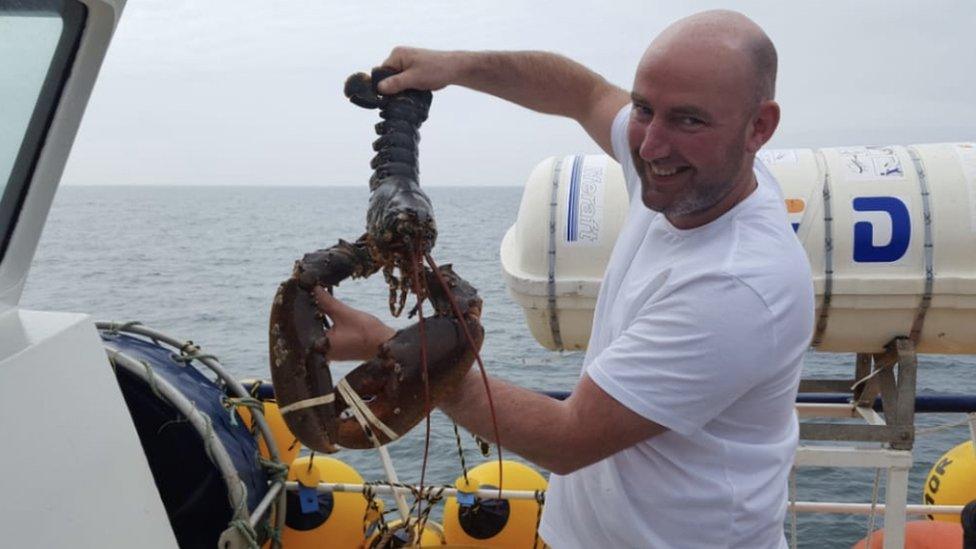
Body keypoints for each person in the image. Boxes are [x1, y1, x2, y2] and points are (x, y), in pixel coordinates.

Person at [316, 9, 815, 548]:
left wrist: (385, 346)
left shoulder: (737, 286)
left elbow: (567, 438)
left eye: (688, 120)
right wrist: (454, 67)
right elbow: (583, 92)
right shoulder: (688, 178)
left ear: (758, 128)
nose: (648, 146)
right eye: (645, 108)